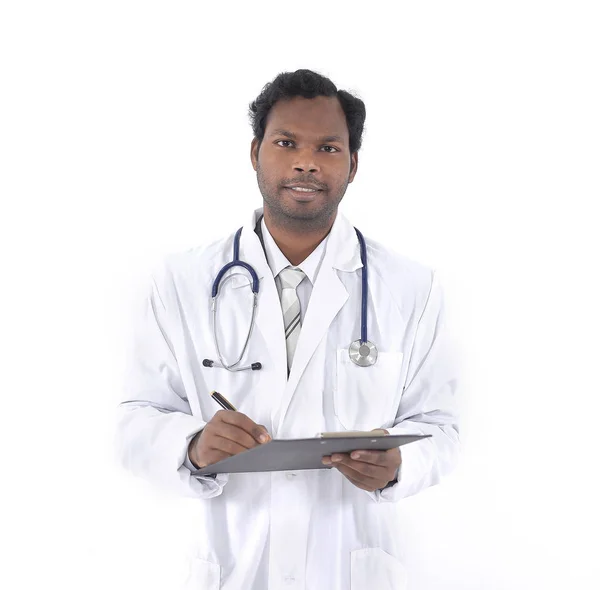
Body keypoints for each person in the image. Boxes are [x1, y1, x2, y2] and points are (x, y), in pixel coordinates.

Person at [115, 68, 460, 590]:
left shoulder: (412, 287)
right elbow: (135, 420)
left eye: (328, 148)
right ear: (255, 153)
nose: (306, 162)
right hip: (234, 565)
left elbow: (442, 427)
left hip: (351, 567)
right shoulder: (180, 282)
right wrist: (192, 446)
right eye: (286, 142)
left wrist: (398, 466)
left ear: (353, 164)